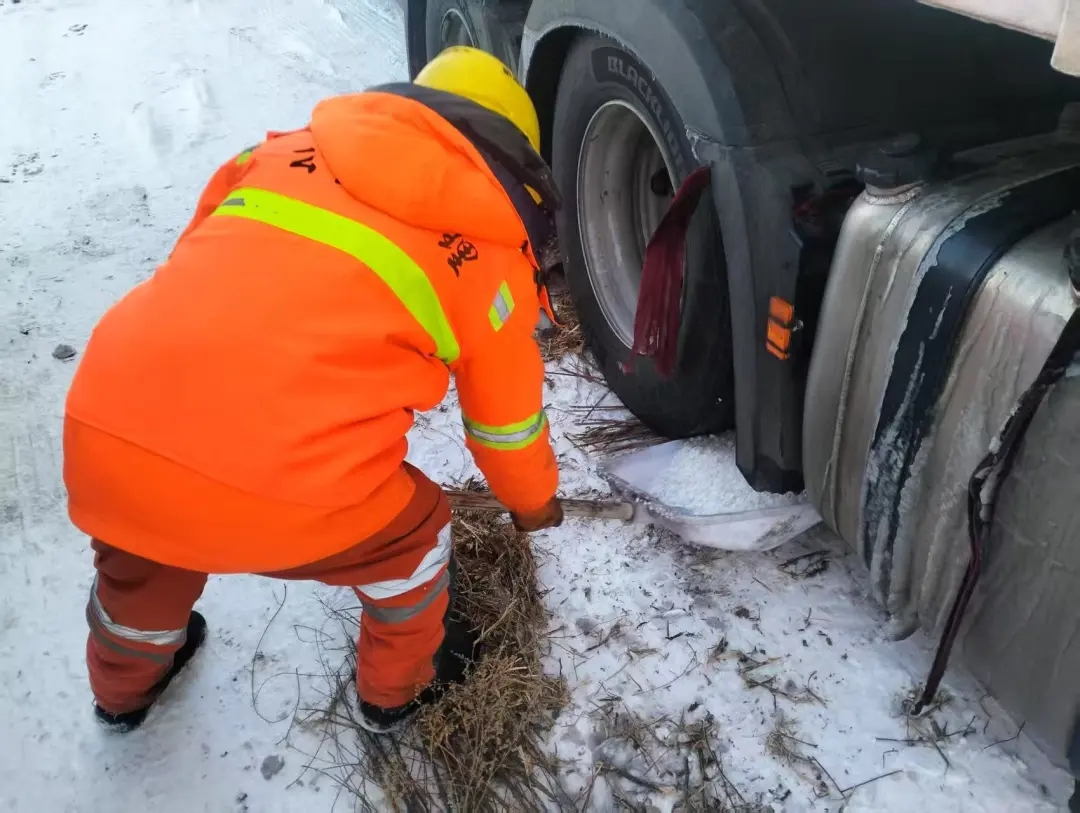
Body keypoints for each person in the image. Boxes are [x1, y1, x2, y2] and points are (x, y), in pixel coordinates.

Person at [63, 46, 565, 735]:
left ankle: (121, 694)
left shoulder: (273, 155)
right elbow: (505, 428)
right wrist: (534, 505)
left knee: (145, 545)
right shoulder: (491, 253)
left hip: (110, 428)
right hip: (283, 482)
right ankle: (399, 690)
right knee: (414, 536)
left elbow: (197, 261)